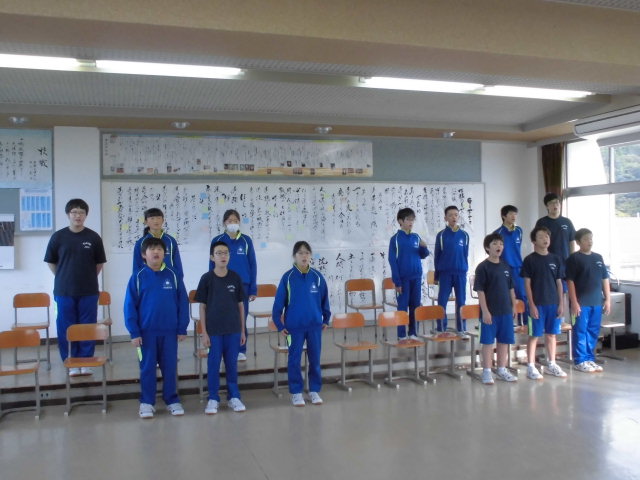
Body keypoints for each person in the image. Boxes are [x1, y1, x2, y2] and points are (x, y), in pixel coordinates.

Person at [124, 237, 189, 419]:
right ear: (144, 255)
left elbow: (183, 303)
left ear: (164, 254)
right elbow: (129, 306)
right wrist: (134, 332)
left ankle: (172, 399)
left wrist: (182, 327)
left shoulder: (173, 275)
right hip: (146, 334)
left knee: (170, 366)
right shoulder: (137, 277)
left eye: (159, 249)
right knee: (147, 367)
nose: (156, 252)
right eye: (152, 249)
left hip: (169, 332)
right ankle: (147, 402)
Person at [44, 198, 106, 375]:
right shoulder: (58, 237)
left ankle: (85, 361)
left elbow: (99, 263)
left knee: (87, 326)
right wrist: (63, 276)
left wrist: (87, 277)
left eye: (81, 212)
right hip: (64, 291)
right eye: (74, 212)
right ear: (68, 214)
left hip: (89, 290)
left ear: (86, 215)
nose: (78, 215)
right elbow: (51, 261)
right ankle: (70, 361)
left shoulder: (93, 237)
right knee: (66, 327)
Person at [272, 241, 331, 407]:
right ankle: (296, 392)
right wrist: (280, 325)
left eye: (307, 253)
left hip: (314, 327)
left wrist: (326, 319)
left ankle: (314, 390)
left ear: (310, 256)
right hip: (294, 328)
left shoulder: (317, 277)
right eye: (300, 253)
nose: (304, 256)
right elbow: (278, 304)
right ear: (294, 256)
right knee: (294, 360)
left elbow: (325, 300)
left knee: (315, 359)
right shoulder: (288, 277)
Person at [195, 241, 247, 414]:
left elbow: (241, 305)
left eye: (225, 253)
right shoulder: (206, 279)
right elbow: (202, 307)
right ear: (212, 257)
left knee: (231, 364)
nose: (223, 256)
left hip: (233, 330)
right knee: (213, 365)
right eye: (219, 253)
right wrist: (204, 332)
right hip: (214, 331)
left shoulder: (235, 277)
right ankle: (213, 398)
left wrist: (242, 330)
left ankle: (234, 397)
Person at [210, 209, 257, 362]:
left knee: (241, 318)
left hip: (243, 285)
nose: (233, 223)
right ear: (224, 223)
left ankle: (241, 350)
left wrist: (253, 288)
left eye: (235, 220)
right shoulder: (217, 240)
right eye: (230, 221)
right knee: (224, 318)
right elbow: (211, 265)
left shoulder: (246, 241)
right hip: (221, 285)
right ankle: (225, 351)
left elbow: (253, 265)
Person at [520, 226, 567, 380]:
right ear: (534, 241)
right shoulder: (530, 260)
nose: (545, 239)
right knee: (534, 335)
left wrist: (561, 303)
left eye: (547, 236)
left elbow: (559, 283)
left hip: (553, 303)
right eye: (541, 237)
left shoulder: (556, 259)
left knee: (551, 335)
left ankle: (551, 363)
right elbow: (527, 284)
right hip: (537, 304)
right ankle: (531, 366)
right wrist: (531, 304)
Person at [473, 233, 518, 384]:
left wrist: (514, 306)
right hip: (490, 313)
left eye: (501, 244)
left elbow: (511, 288)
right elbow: (480, 291)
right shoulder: (482, 267)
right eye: (495, 244)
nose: (499, 246)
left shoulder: (506, 266)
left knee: (504, 341)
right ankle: (486, 371)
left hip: (505, 311)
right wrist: (485, 311)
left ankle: (501, 369)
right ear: (487, 248)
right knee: (487, 342)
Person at [566, 228, 611, 373]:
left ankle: (590, 358)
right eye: (586, 239)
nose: (589, 241)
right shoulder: (574, 258)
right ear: (578, 242)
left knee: (593, 331)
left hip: (596, 302)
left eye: (591, 238)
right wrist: (574, 302)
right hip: (581, 303)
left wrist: (607, 299)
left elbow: (605, 279)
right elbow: (570, 281)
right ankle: (580, 360)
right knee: (580, 331)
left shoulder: (598, 257)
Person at [388, 208, 430, 341]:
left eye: (412, 220)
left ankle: (413, 333)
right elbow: (392, 261)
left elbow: (423, 255)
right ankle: (401, 335)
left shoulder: (416, 237)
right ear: (400, 221)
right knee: (402, 307)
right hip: (403, 280)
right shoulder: (395, 239)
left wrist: (424, 247)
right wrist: (397, 282)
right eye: (408, 219)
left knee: (415, 306)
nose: (411, 222)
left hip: (416, 278)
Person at [434, 205, 469, 334]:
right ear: (446, 218)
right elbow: (437, 256)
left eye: (456, 215)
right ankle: (441, 328)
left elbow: (465, 254)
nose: (453, 217)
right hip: (445, 274)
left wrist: (464, 269)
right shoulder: (441, 235)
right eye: (450, 215)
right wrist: (437, 276)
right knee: (442, 301)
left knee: (461, 301)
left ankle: (461, 328)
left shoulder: (464, 235)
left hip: (460, 274)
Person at [494, 205, 528, 325]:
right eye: (511, 214)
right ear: (504, 216)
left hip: (518, 268)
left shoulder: (519, 231)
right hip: (504, 268)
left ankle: (524, 323)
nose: (514, 216)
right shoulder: (497, 233)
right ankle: (507, 323)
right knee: (505, 297)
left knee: (522, 296)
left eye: (515, 214)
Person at [132, 207, 183, 279]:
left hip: (168, 279)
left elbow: (177, 263)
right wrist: (137, 281)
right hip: (147, 279)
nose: (156, 221)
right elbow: (136, 266)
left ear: (163, 220)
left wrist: (179, 279)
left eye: (158, 218)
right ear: (146, 221)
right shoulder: (140, 243)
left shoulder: (171, 241)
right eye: (152, 218)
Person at [534, 193, 576, 271]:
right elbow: (536, 242)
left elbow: (572, 242)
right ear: (547, 206)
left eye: (557, 202)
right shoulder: (541, 222)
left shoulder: (567, 222)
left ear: (560, 204)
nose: (555, 205)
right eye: (551, 203)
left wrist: (572, 259)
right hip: (546, 261)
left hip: (565, 261)